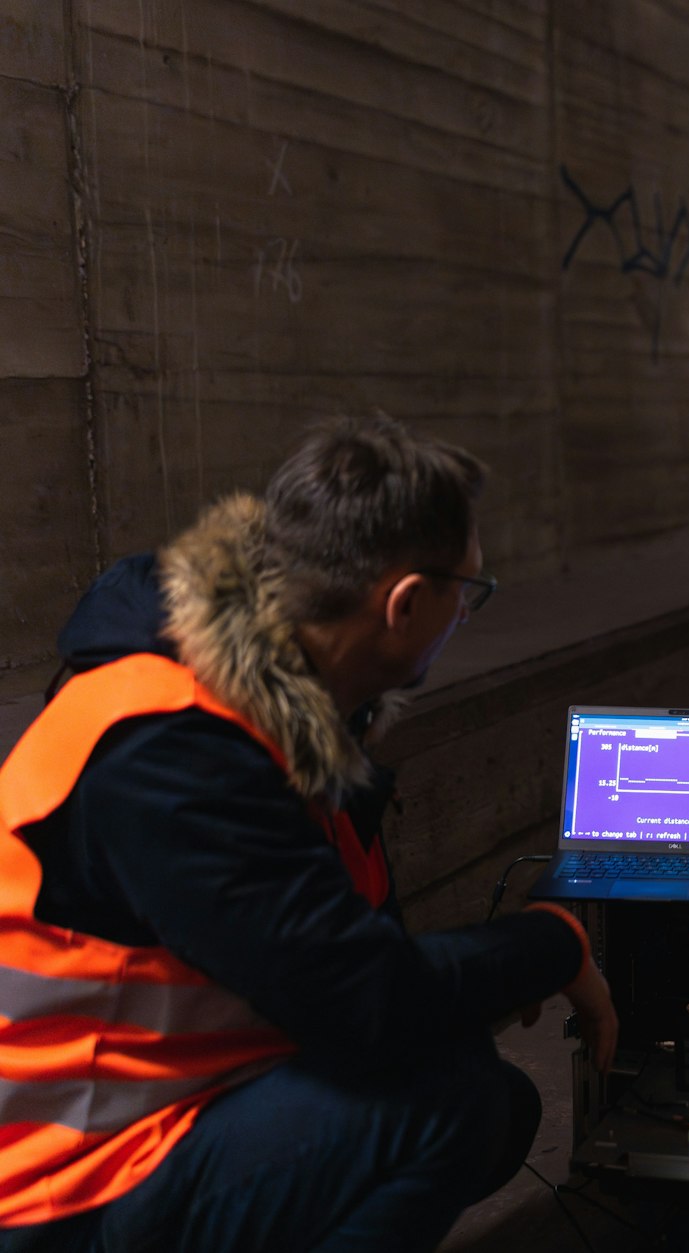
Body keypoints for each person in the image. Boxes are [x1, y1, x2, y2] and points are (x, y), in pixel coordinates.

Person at [0, 416, 617, 1252]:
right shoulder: (171, 745)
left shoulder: (292, 712)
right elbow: (367, 999)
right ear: (403, 603)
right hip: (64, 1180)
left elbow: (358, 964)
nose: (465, 613)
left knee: (496, 1101)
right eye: (466, 592)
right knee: (448, 1099)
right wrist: (553, 942)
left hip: (178, 1096)